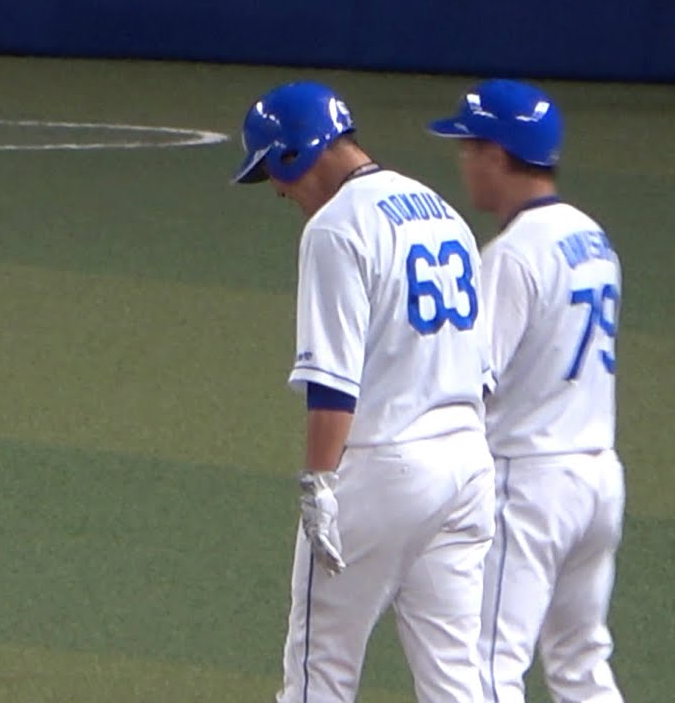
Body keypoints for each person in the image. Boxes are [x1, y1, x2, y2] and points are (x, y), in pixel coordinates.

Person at [233, 81, 496, 702]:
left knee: (318, 669)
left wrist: (321, 484)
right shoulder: (440, 209)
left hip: (385, 469)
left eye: (274, 171)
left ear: (296, 152)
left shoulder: (336, 227)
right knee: (455, 677)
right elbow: (483, 371)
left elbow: (332, 383)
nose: (277, 189)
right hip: (468, 468)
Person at [428, 79, 626, 702]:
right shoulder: (594, 237)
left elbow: (472, 381)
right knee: (581, 662)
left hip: (530, 482)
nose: (463, 163)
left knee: (487, 665)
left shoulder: (512, 255)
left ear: (496, 154)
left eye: (468, 148)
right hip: (598, 478)